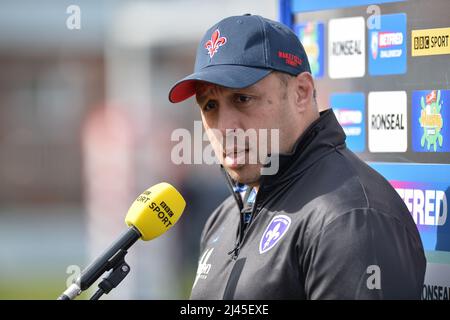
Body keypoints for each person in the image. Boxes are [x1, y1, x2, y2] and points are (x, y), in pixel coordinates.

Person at [168, 14, 426, 299]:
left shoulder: (350, 218)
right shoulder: (225, 216)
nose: (224, 127)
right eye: (210, 105)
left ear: (302, 93)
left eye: (242, 99)